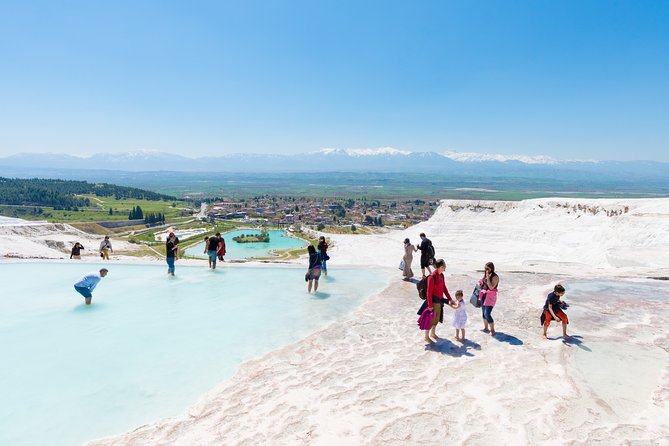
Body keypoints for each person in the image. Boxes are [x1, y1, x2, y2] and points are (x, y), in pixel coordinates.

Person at [423, 259, 454, 344]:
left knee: (436, 319)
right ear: (441, 267)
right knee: (430, 320)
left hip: (439, 301)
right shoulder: (432, 277)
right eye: (444, 265)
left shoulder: (441, 275)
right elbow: (428, 292)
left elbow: (444, 288)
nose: (445, 267)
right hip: (433, 302)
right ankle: (426, 337)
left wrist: (450, 299)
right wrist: (429, 305)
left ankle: (433, 333)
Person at [478, 261, 499, 336]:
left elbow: (490, 287)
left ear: (491, 268)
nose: (485, 270)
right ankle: (486, 327)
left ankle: (492, 330)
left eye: (487, 268)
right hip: (484, 296)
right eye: (485, 268)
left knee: (487, 313)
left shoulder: (495, 277)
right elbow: (484, 284)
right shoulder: (486, 274)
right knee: (483, 313)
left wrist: (487, 277)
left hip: (490, 297)